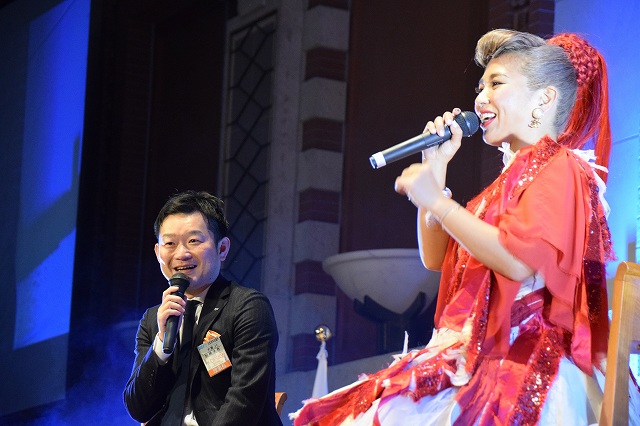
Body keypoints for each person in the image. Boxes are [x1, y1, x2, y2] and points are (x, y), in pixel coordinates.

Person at [292, 29, 615, 425]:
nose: (480, 98)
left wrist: (438, 202)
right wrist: (436, 167)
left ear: (544, 98)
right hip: (475, 350)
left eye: (496, 84)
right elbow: (435, 258)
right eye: (480, 87)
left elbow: (518, 261)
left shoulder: (561, 167)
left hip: (521, 356)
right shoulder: (502, 185)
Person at [124, 190, 283, 426]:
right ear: (158, 253)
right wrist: (162, 344)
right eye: (170, 243)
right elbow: (138, 409)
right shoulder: (153, 319)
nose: (181, 253)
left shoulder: (247, 307)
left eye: (194, 241)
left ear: (222, 249)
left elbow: (245, 401)